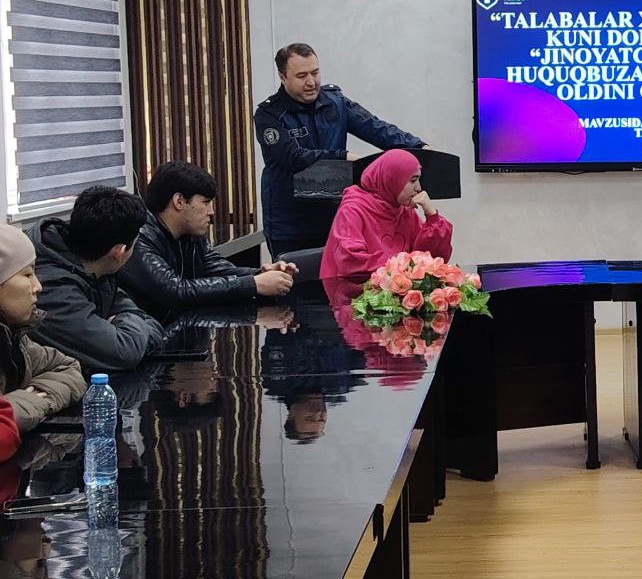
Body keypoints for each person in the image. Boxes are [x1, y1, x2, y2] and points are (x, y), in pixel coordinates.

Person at [255, 43, 429, 257]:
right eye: (302, 76)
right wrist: (342, 156)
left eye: (315, 73)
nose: (311, 82)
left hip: (335, 217)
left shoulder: (335, 102)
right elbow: (293, 157)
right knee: (295, 277)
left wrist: (418, 147)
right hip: (290, 225)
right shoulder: (269, 115)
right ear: (283, 77)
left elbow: (375, 128)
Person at [118, 161, 298, 312]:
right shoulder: (138, 237)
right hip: (147, 336)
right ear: (179, 201)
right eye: (205, 203)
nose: (211, 212)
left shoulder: (191, 233)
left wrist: (263, 275)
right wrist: (254, 284)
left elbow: (217, 267)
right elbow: (175, 291)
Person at [28, 186, 168, 372]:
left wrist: (121, 324)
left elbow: (154, 327)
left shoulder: (99, 271)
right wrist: (127, 328)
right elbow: (124, 351)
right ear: (118, 252)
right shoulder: (52, 289)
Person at [0, 224, 86, 434]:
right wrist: (19, 408)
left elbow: (67, 368)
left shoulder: (13, 337)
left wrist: (33, 400)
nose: (38, 286)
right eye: (27, 275)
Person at [319, 149, 453, 279]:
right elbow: (350, 262)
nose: (418, 188)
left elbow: (432, 259)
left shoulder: (404, 210)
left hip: (398, 288)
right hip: (353, 290)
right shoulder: (352, 210)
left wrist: (432, 217)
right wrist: (403, 266)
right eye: (413, 180)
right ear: (392, 179)